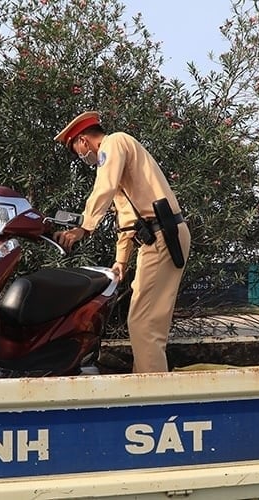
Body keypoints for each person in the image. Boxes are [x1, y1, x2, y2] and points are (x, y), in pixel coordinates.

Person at [53, 111, 191, 373]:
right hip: (159, 235)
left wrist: (83, 227)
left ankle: (153, 396)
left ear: (83, 140)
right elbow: (127, 217)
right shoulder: (121, 159)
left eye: (77, 150)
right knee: (148, 322)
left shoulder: (114, 142)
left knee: (144, 323)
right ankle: (150, 382)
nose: (81, 157)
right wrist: (121, 260)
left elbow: (103, 188)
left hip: (162, 234)